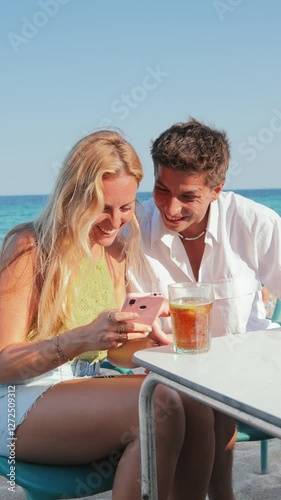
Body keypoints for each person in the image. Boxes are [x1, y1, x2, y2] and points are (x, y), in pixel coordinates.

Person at [0, 130, 216, 500]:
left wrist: (145, 339)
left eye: (126, 207)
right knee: (156, 406)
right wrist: (78, 339)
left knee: (195, 398)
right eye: (101, 206)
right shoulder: (31, 248)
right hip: (17, 402)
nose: (115, 221)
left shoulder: (115, 253)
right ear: (73, 195)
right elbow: (3, 363)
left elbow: (112, 354)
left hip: (83, 385)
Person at [128, 117, 281, 500]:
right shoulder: (137, 229)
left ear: (217, 189)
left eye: (188, 196)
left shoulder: (253, 223)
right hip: (169, 369)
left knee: (212, 389)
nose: (171, 207)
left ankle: (221, 492)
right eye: (162, 189)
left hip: (241, 365)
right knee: (195, 392)